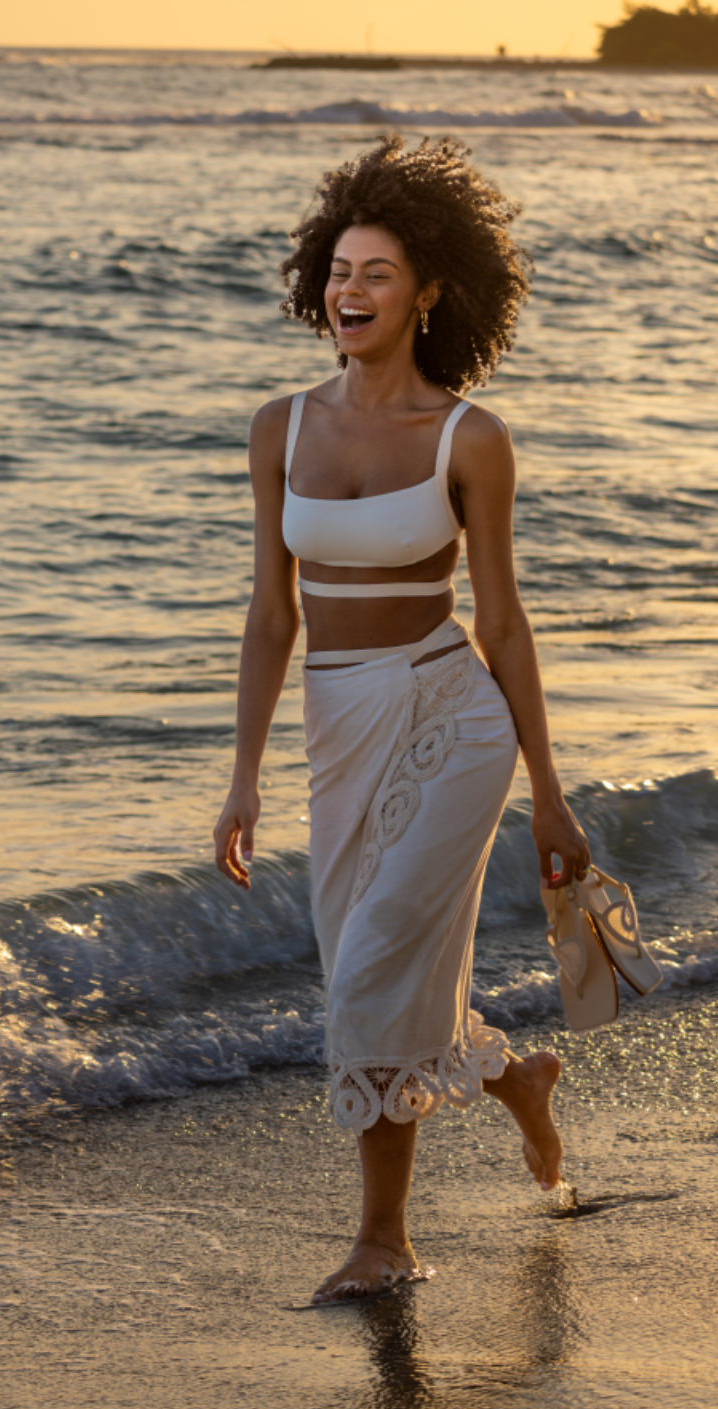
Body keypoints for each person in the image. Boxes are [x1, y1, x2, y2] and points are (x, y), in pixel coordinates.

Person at [213, 137, 590, 1304]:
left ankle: (385, 1238)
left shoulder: (468, 437)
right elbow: (272, 616)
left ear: (428, 293)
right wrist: (243, 777)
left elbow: (504, 624)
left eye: (377, 273)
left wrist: (549, 789)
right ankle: (513, 1076)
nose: (350, 293)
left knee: (372, 970)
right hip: (339, 724)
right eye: (337, 269)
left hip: (451, 716)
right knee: (375, 966)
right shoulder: (280, 426)